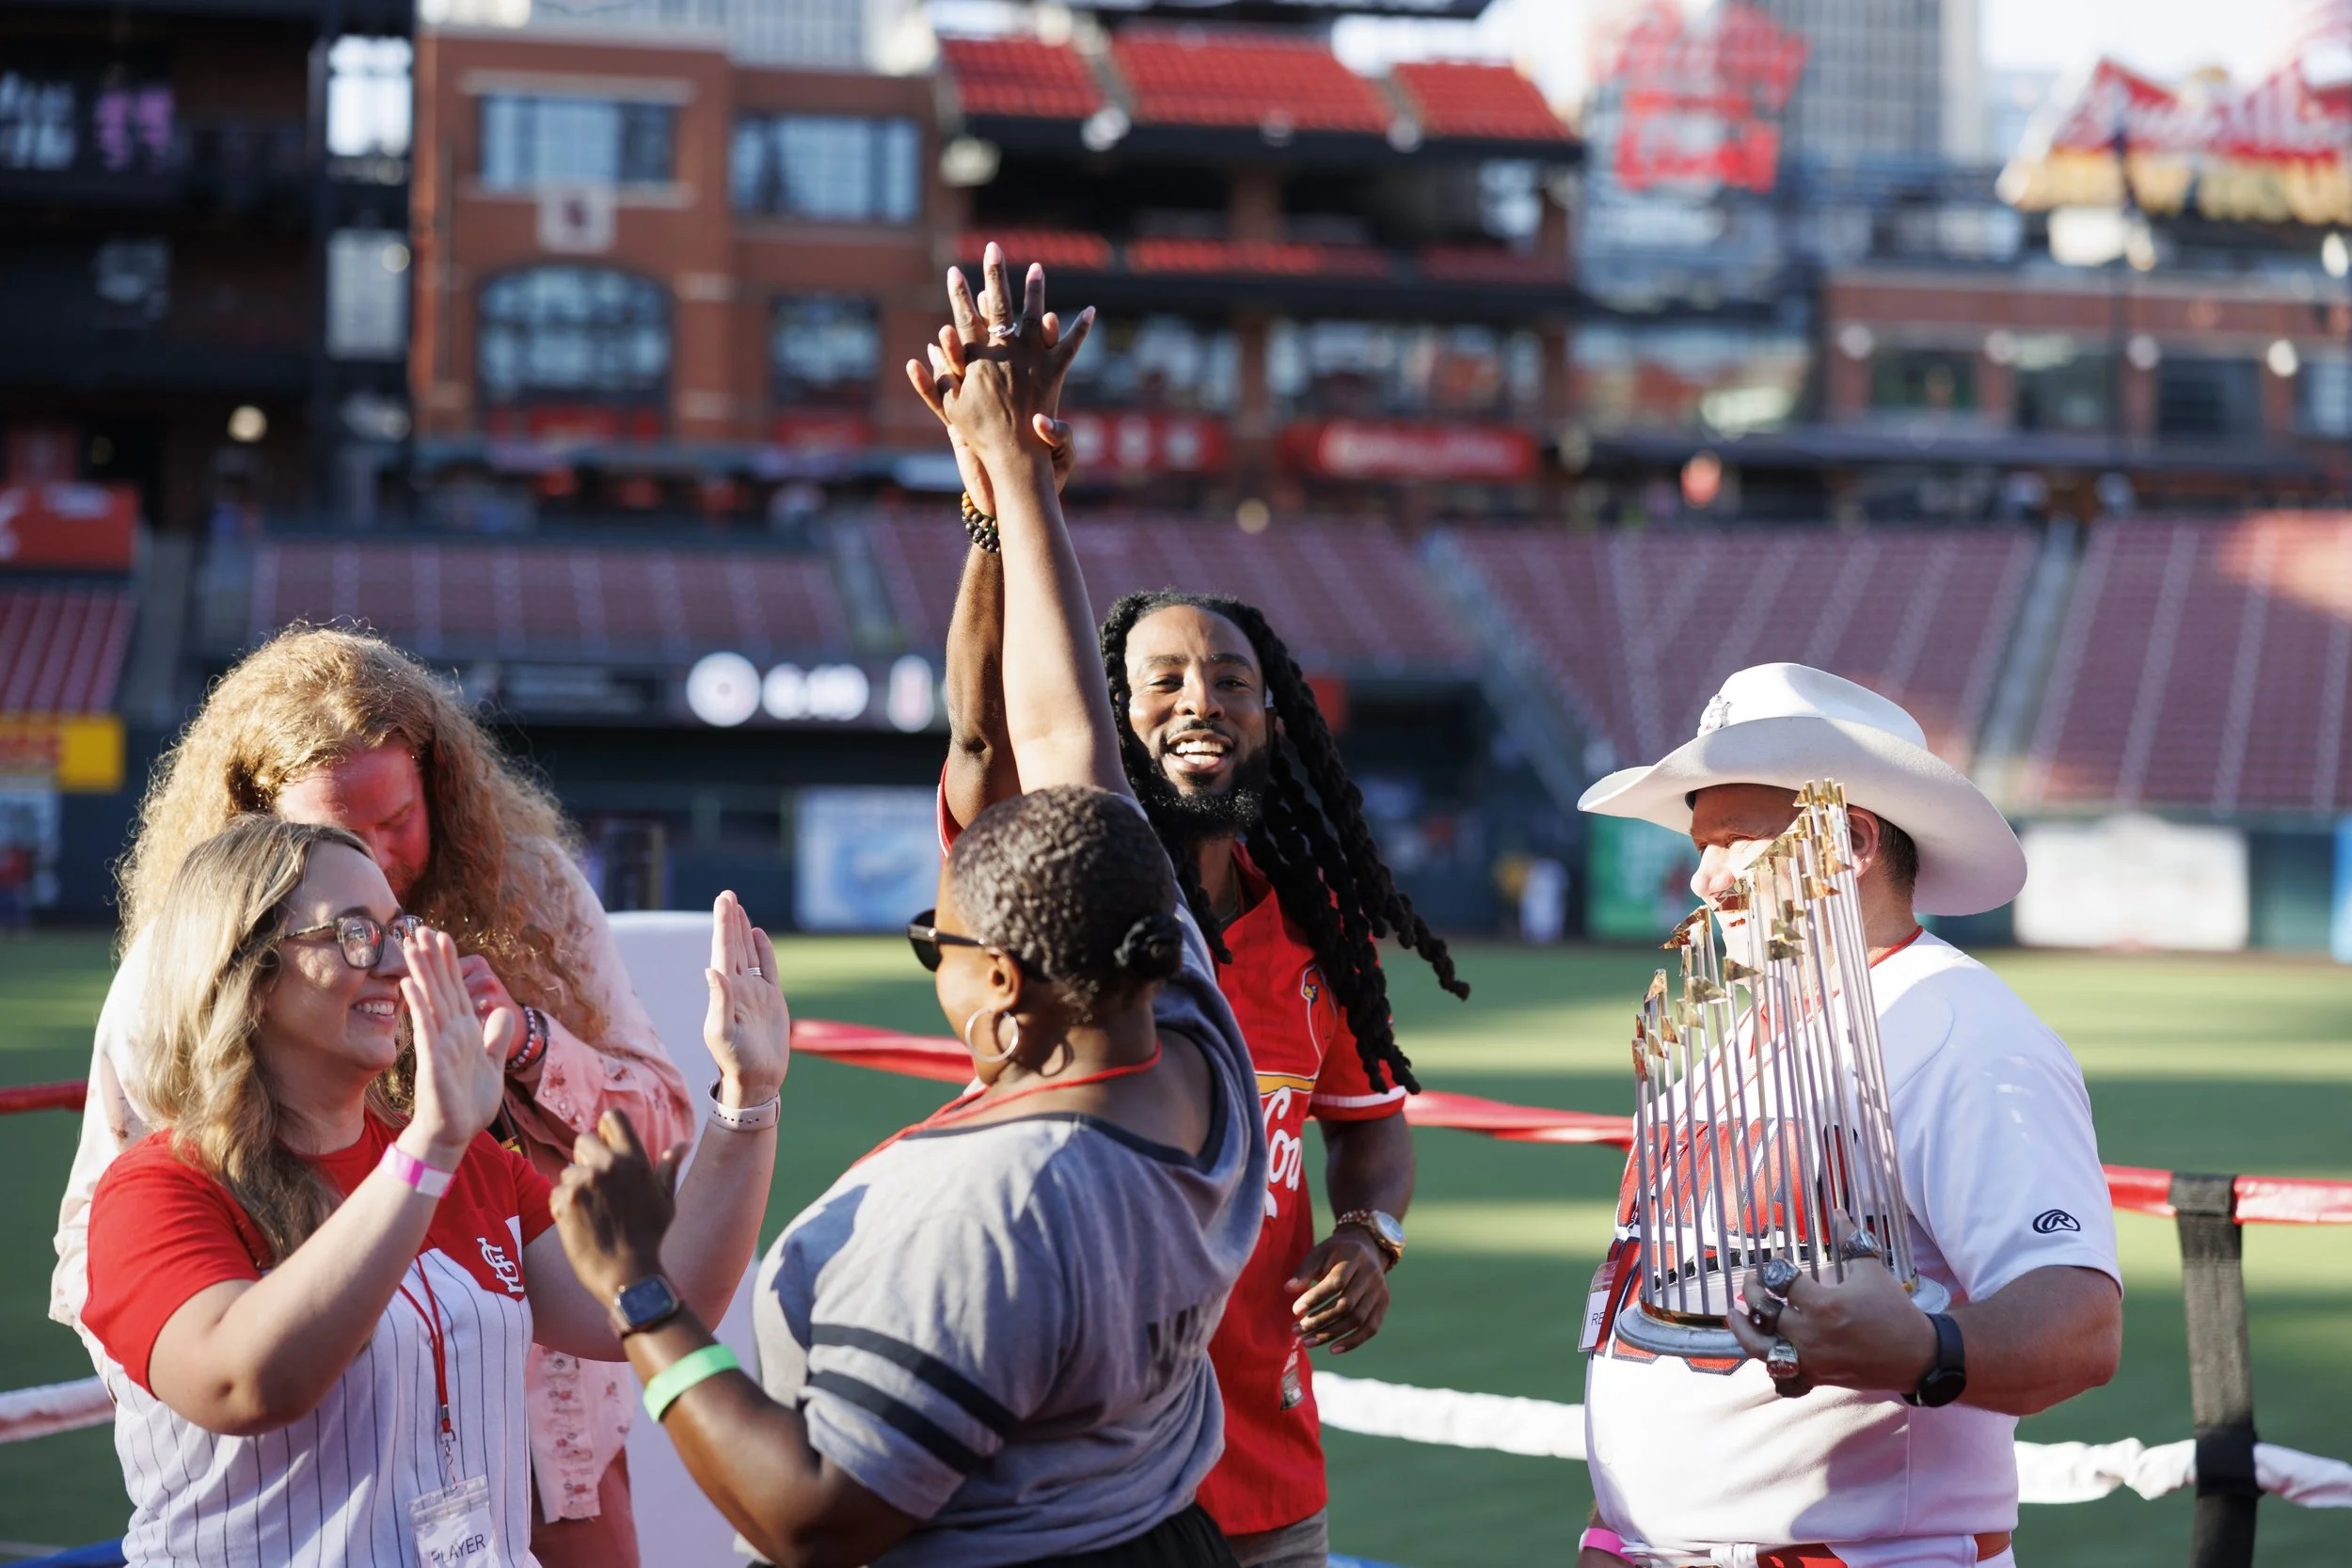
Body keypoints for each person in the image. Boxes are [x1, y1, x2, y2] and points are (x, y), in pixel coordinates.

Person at [545, 258, 1263, 1568]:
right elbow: (1060, 739)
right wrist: (1010, 479)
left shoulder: (990, 1204)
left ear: (1002, 985)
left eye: (941, 938)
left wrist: (638, 1290)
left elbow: (820, 1514)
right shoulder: (1195, 1040)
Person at [909, 244, 1466, 1568]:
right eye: (1156, 680)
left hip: (1272, 1480)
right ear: (1110, 710)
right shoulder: (1072, 880)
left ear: (1275, 714)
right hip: (1078, 1465)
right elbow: (990, 734)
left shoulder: (1317, 929)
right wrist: (993, 506)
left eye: (1227, 677)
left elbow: (1370, 1132)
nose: (1196, 699)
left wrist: (1371, 1231)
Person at [53, 626, 692, 1568]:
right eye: (338, 839)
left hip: (554, 1402)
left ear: (443, 782)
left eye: (397, 819)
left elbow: (663, 1133)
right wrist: (191, 1385)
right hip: (320, 1428)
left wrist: (533, 1046)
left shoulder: (536, 894)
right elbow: (124, 1243)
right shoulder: (174, 972)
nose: (380, 858)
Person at [77, 816, 783, 1566]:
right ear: (249, 975)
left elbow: (659, 1301)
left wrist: (748, 1095)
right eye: (355, 934)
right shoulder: (160, 1186)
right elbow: (245, 1382)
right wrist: (430, 1147)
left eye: (399, 929)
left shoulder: (467, 1162)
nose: (394, 965)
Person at [1574, 663, 2124, 1568]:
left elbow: (2079, 1324)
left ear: (1853, 841)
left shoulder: (1963, 1028)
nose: (1704, 879)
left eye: (1735, 840)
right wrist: (1618, 1534)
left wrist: (1927, 1348)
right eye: (1700, 844)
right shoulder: (1738, 1036)